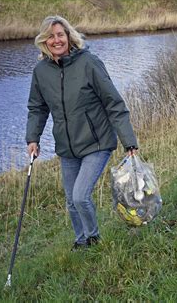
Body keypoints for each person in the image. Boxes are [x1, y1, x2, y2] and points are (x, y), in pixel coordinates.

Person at [26, 15, 138, 250]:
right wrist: (33, 138)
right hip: (67, 147)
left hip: (96, 143)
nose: (56, 40)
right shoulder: (41, 72)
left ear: (69, 36)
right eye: (51, 36)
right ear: (43, 41)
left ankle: (94, 239)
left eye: (60, 34)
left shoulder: (89, 63)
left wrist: (128, 141)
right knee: (70, 200)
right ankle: (81, 241)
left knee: (80, 196)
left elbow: (113, 103)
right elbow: (38, 108)